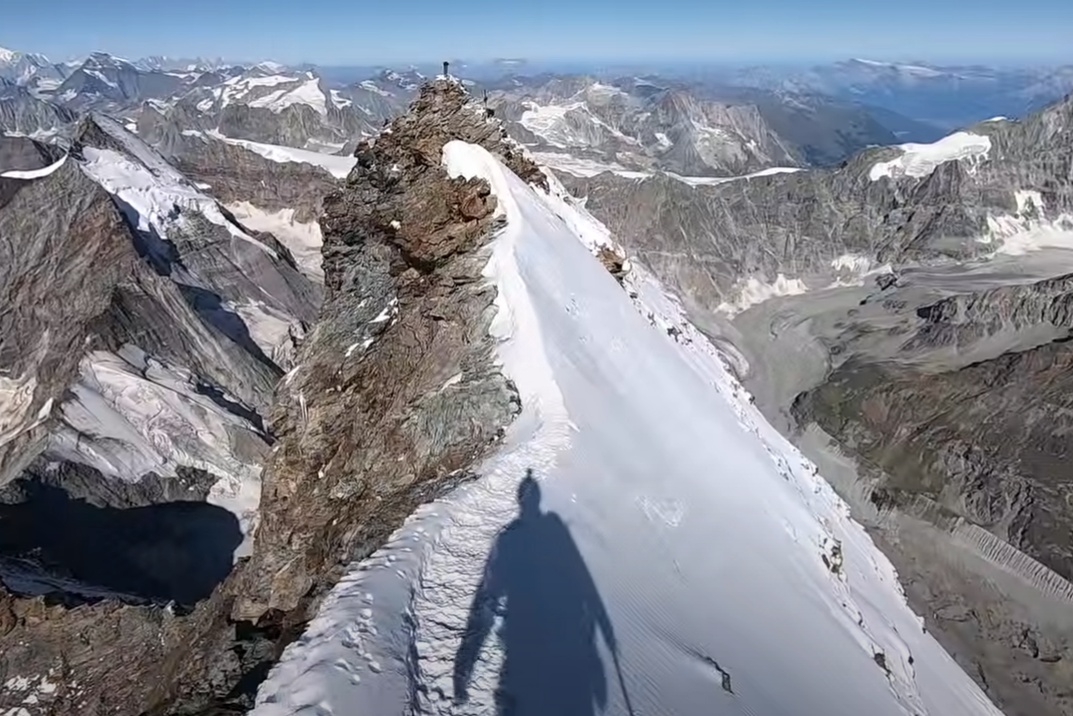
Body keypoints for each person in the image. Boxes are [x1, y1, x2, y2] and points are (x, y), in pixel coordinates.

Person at [453, 470, 618, 715]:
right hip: (558, 644)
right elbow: (583, 583)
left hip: (520, 644)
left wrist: (465, 666)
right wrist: (604, 631)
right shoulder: (555, 533)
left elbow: (487, 598)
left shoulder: (508, 540)